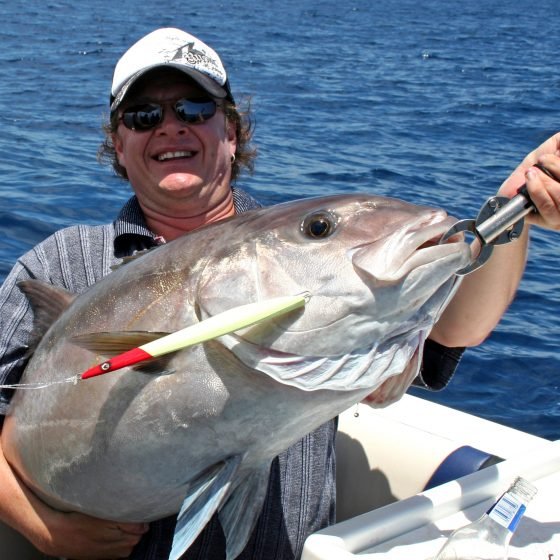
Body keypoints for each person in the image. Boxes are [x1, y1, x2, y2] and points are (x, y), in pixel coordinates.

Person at [0, 27, 559, 560]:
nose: (170, 127)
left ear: (232, 132)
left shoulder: (304, 262)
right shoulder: (62, 262)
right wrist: (40, 528)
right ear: (118, 145)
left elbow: (457, 327)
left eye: (195, 110)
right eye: (144, 116)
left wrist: (511, 214)